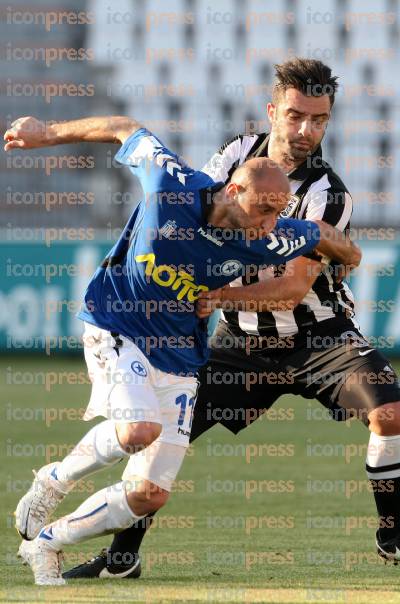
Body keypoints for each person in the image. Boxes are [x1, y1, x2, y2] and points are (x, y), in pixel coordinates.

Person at [62, 57, 400, 580]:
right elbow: (201, 214)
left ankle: (392, 535)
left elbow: (291, 289)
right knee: (160, 435)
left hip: (319, 337)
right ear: (273, 112)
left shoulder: (329, 196)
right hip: (238, 343)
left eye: (319, 119)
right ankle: (120, 556)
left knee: (391, 410)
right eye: (295, 115)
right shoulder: (235, 155)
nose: (306, 129)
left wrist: (214, 294)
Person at [4, 112, 357, 585]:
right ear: (233, 191)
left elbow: (324, 236)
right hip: (117, 323)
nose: (272, 224)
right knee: (137, 431)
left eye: (279, 212)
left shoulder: (268, 237)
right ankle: (53, 481)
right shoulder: (172, 183)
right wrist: (46, 133)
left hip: (179, 353)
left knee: (148, 494)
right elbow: (124, 128)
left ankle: (46, 543)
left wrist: (350, 257)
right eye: (265, 210)